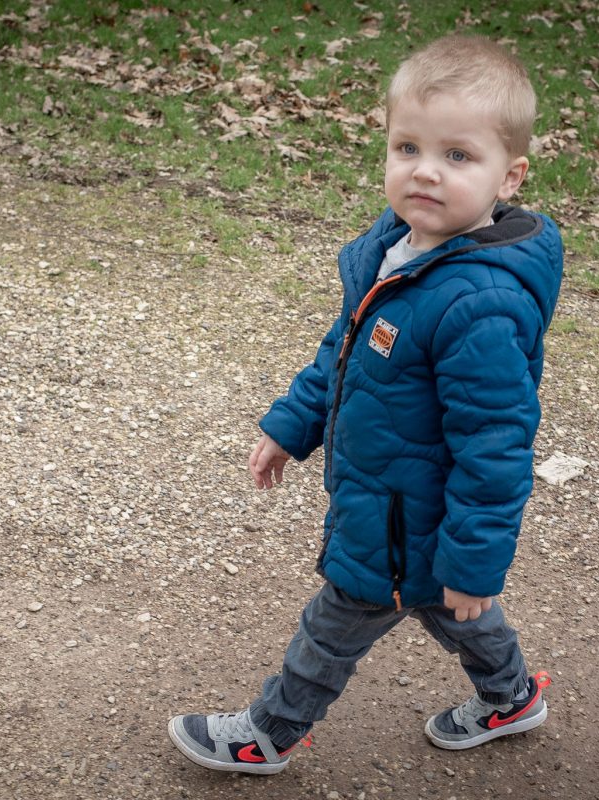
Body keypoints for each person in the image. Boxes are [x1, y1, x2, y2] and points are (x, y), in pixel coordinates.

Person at [168, 32, 564, 775]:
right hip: (386, 497)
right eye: (407, 147)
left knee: (340, 620)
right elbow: (345, 353)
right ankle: (511, 697)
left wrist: (475, 562)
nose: (425, 172)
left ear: (509, 178)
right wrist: (293, 425)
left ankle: (269, 732)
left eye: (457, 156)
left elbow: (496, 445)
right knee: (449, 611)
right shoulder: (398, 248)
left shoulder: (480, 306)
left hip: (404, 518)